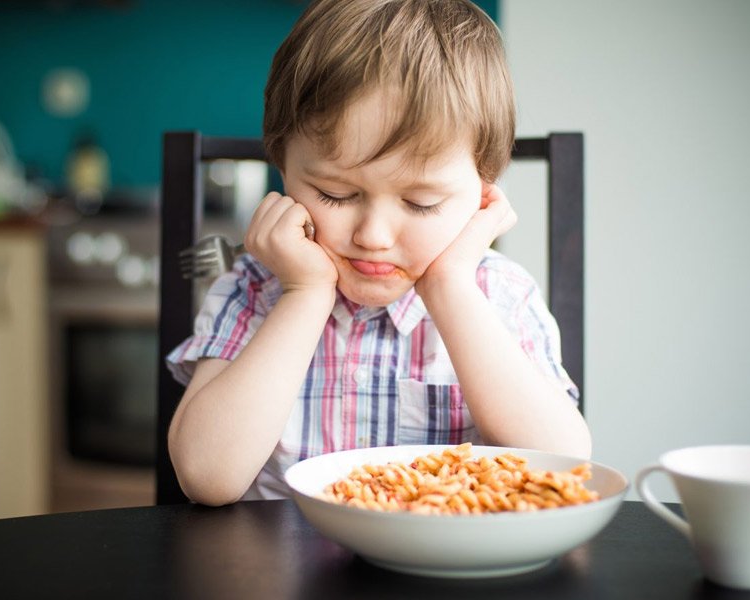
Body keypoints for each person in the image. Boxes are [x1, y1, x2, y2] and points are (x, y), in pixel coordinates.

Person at [166, 0, 591, 506]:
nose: (372, 235)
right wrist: (304, 293)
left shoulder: (500, 296)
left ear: (483, 193)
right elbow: (207, 478)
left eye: (421, 202)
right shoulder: (253, 289)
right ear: (281, 168)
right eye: (335, 194)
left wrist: (450, 286)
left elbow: (566, 467)